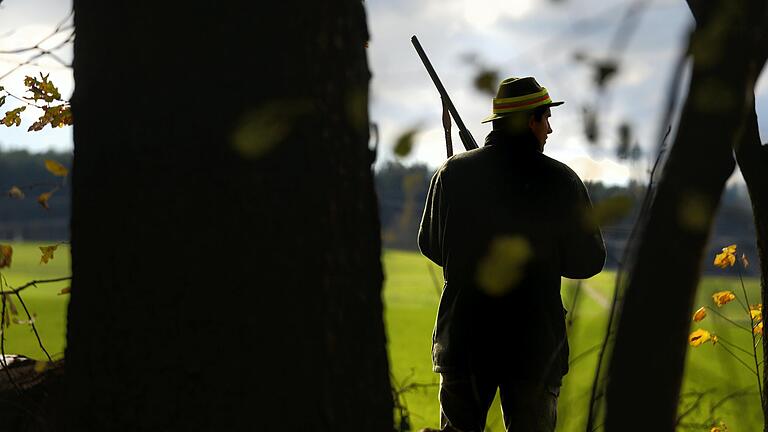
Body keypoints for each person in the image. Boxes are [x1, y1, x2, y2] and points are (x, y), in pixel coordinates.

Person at [418, 77, 606, 432]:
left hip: (463, 339)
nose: (550, 128)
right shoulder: (561, 181)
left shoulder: (451, 174)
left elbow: (430, 244)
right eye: (546, 117)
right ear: (530, 121)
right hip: (533, 346)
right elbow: (589, 260)